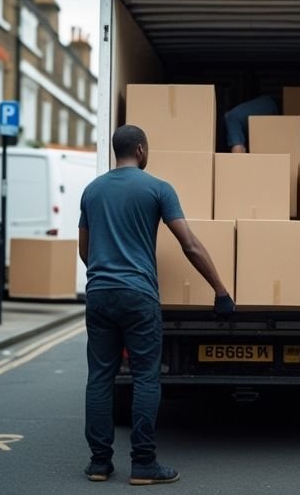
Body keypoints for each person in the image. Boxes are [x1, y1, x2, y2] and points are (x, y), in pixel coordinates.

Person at [78, 124, 236, 485]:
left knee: (100, 377)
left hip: (99, 294)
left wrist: (106, 275)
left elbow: (84, 249)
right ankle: (144, 464)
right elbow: (190, 244)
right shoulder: (158, 188)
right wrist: (220, 290)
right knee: (146, 377)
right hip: (139, 296)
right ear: (141, 150)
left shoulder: (92, 191)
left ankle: (100, 463)